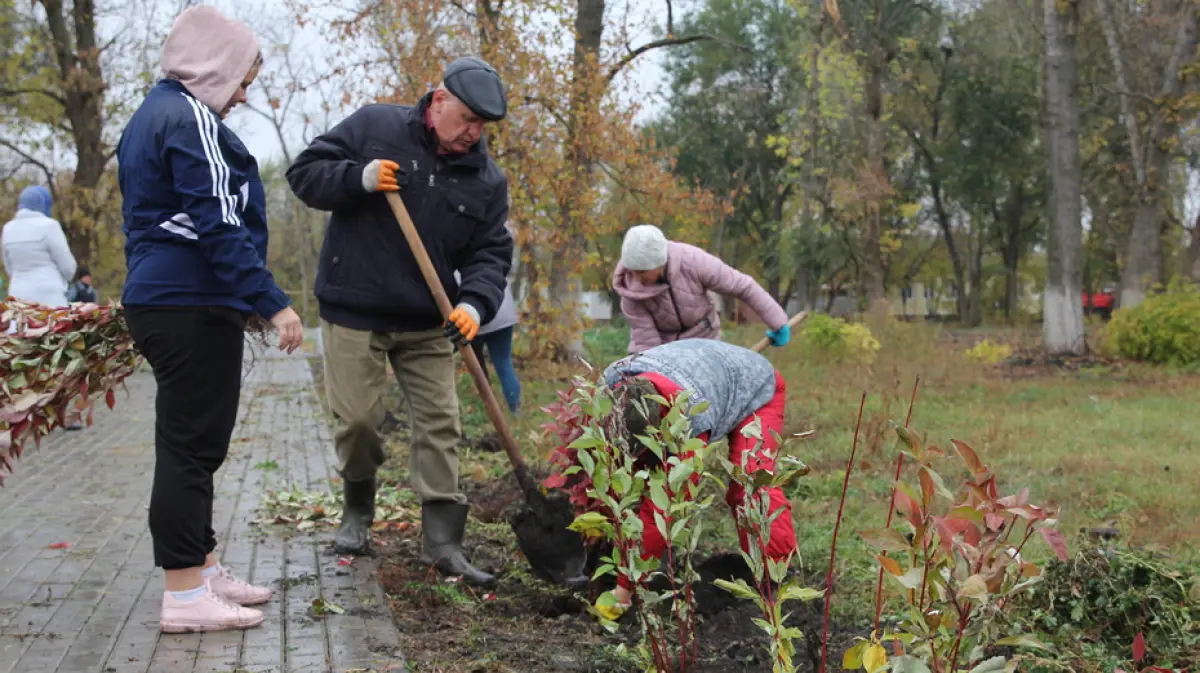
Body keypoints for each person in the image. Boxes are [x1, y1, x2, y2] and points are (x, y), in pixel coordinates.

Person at [286, 56, 513, 587]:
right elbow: (303, 175)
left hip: (430, 318)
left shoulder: (484, 179)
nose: (473, 134)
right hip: (354, 308)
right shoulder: (374, 127)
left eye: (483, 126)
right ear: (438, 101)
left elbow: (490, 255)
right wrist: (356, 177)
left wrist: (474, 305)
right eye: (467, 120)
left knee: (441, 425)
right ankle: (357, 510)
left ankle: (443, 543)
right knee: (360, 422)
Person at [116, 4, 303, 634]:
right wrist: (271, 301)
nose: (244, 95)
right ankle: (185, 594)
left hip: (167, 298)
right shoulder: (188, 115)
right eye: (243, 78)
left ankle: (202, 567)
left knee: (194, 445)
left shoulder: (150, 113)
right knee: (190, 450)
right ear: (214, 63)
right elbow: (217, 222)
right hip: (187, 303)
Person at [589, 339, 798, 620]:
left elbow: (666, 508)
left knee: (750, 486)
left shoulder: (689, 424)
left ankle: (776, 578)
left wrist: (623, 592)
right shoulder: (608, 390)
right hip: (702, 371)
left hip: (754, 386)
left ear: (661, 426)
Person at [613, 224, 792, 354]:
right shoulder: (629, 291)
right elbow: (647, 341)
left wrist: (777, 323)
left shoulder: (693, 261)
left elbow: (743, 286)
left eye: (643, 272)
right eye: (633, 271)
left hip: (704, 340)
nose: (638, 278)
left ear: (661, 261)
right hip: (664, 347)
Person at [456, 269, 521, 414]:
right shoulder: (491, 256)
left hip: (475, 318)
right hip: (504, 317)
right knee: (504, 363)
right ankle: (515, 408)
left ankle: (488, 406)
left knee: (477, 365)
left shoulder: (459, 263)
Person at [2, 186, 77, 310]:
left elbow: (9, 267)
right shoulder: (50, 226)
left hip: (18, 295)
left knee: (21, 328)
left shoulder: (8, 229)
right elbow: (68, 267)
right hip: (49, 295)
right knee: (52, 328)